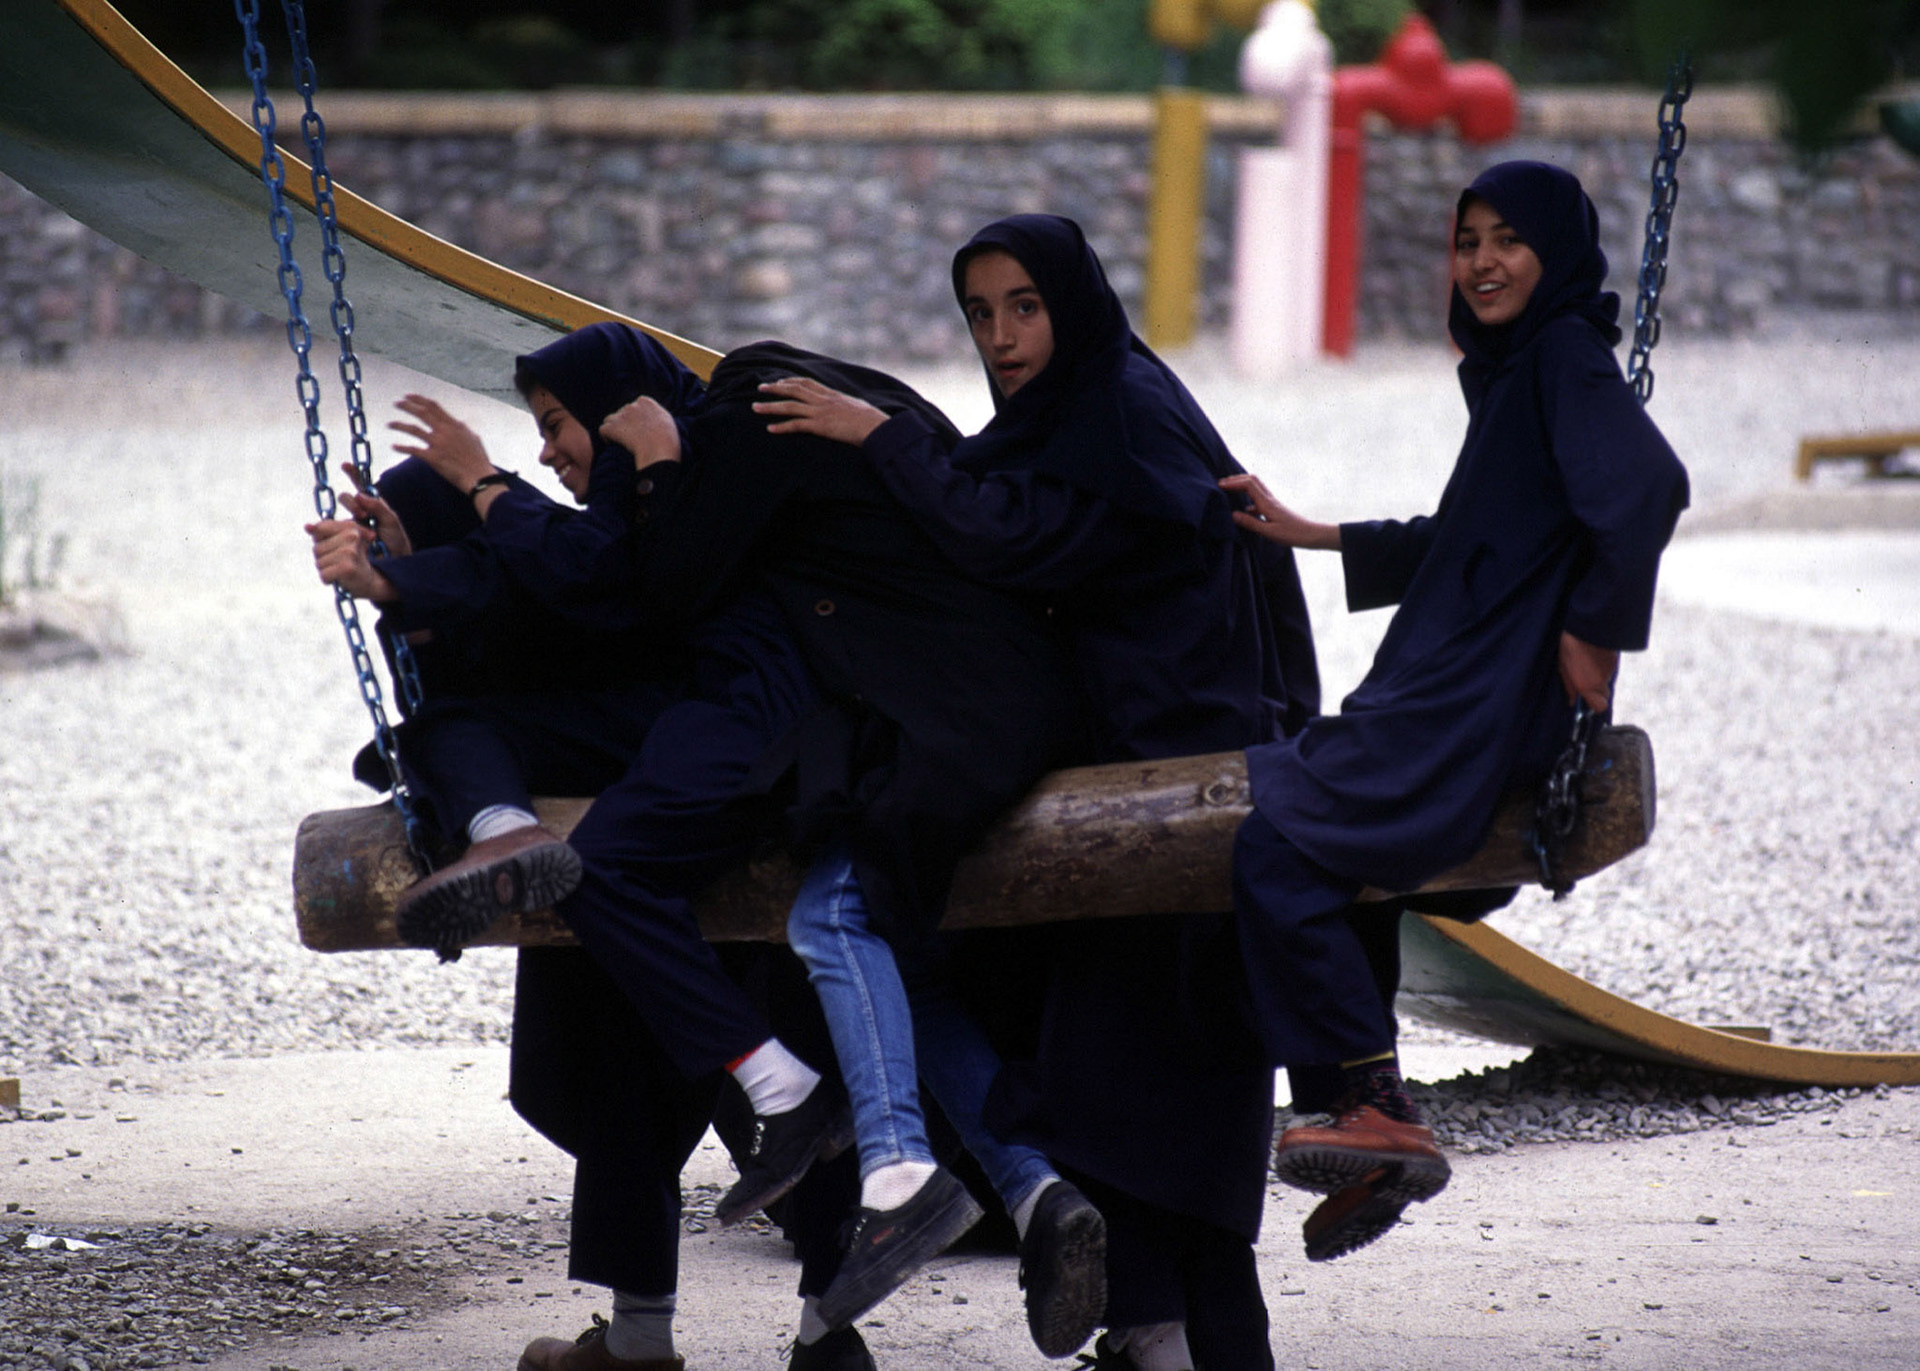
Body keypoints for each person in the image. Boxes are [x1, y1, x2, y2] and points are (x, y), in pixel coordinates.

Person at [754, 213, 1320, 1371]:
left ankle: (1201, 1341)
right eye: (979, 314)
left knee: (1178, 1088)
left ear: (1073, 305)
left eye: (1025, 307)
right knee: (1113, 1086)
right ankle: (1155, 1333)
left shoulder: (1122, 410)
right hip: (1124, 786)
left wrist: (877, 438)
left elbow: (1008, 539)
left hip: (1187, 798)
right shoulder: (1067, 417)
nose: (1002, 338)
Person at [499, 340, 1110, 1353]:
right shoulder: (785, 440)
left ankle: (881, 1191)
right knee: (873, 974)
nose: (554, 457)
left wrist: (641, 461)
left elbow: (670, 585)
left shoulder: (746, 428)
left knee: (818, 938)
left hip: (891, 746)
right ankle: (1012, 1202)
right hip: (904, 744)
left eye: (563, 429)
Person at [307, 326, 876, 1371]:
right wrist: (409, 574)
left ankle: (813, 1333)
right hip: (672, 830)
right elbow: (505, 614)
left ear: (617, 409)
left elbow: (592, 587)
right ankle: (699, 1339)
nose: (550, 454)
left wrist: (466, 503)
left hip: (729, 792)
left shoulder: (683, 480)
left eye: (559, 425)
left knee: (790, 1069)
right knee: (650, 1073)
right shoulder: (615, 512)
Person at [1223, 160, 1690, 1262]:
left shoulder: (1564, 358)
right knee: (1351, 879)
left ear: (1557, 255)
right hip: (1452, 686)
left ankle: (1373, 1110)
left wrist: (1595, 631)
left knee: (1277, 850)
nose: (1482, 261)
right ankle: (1372, 1118)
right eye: (1466, 239)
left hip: (1472, 701)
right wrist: (1313, 533)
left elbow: (1649, 487)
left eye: (1508, 240)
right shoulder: (1522, 374)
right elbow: (1471, 536)